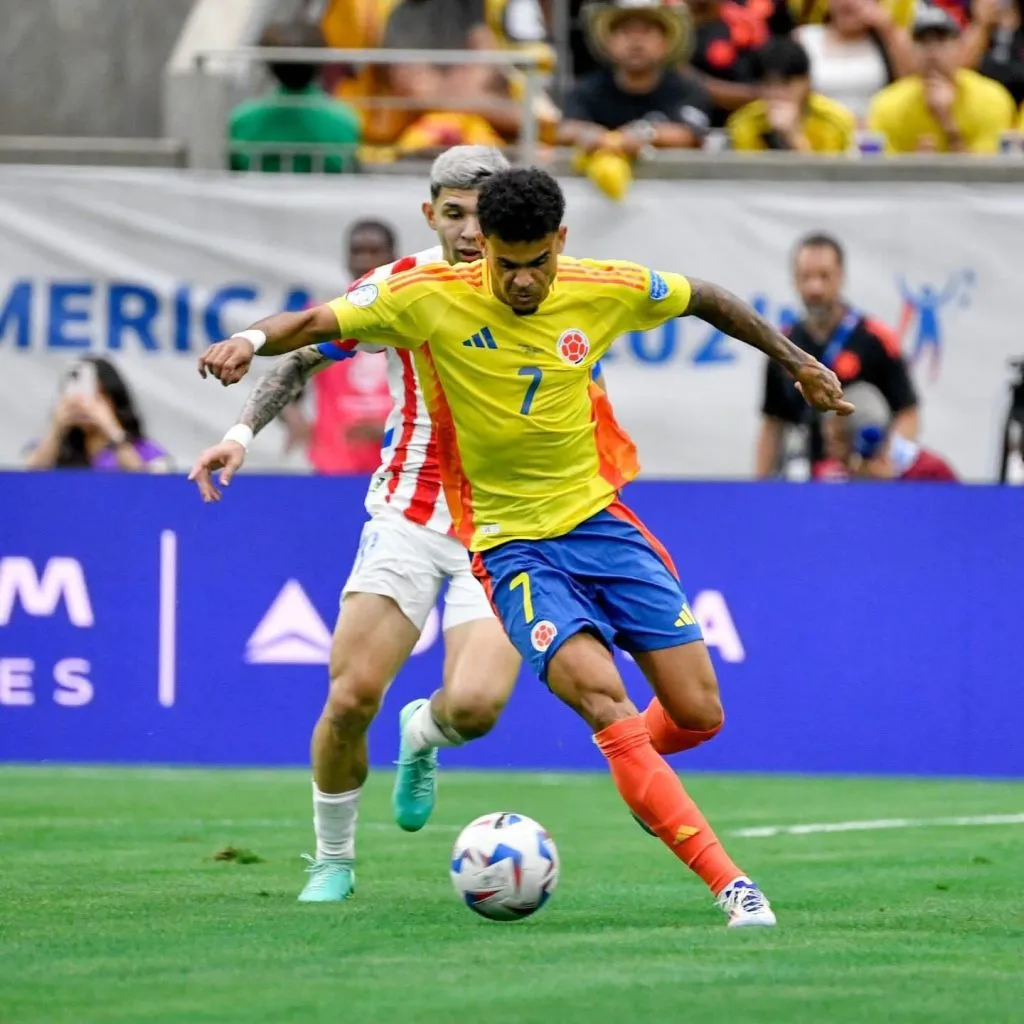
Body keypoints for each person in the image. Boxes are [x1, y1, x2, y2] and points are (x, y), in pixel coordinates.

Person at [196, 167, 854, 927]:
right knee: (584, 702)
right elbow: (310, 331)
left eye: (533, 262)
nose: (517, 279)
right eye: (500, 261)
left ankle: (608, 760)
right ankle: (732, 885)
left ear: (559, 245)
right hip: (495, 541)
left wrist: (794, 360)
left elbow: (704, 295)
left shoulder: (598, 285)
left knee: (695, 714)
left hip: (599, 525)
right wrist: (245, 345)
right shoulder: (417, 293)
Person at [189, 147, 528, 905]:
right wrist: (239, 435)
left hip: (500, 526)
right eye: (454, 213)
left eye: (483, 212)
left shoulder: (534, 284)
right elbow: (305, 352)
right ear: (429, 213)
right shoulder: (396, 288)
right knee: (348, 699)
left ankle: (423, 735)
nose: (471, 230)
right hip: (408, 514)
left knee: (473, 708)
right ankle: (333, 860)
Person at [756, 232, 917, 480]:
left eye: (824, 276)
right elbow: (773, 424)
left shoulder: (876, 339)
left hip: (863, 477)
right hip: (805, 477)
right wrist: (759, 486)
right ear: (795, 281)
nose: (815, 287)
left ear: (841, 278)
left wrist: (889, 462)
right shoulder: (782, 344)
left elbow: (908, 413)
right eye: (806, 277)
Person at [281, 220, 397, 471]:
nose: (365, 260)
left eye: (375, 251)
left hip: (400, 470)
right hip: (334, 466)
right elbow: (285, 381)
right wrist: (293, 417)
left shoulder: (414, 317)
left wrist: (390, 428)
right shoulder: (323, 317)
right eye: (357, 252)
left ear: (393, 257)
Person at [867, 4, 1016, 153]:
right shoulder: (887, 104)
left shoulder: (992, 99)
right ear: (910, 50)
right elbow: (879, 173)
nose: (932, 52)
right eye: (922, 42)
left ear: (960, 47)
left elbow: (991, 173)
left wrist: (949, 127)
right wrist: (914, 166)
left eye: (942, 40)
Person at [229, 21, 361, 174]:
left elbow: (235, 168)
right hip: (322, 196)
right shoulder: (344, 121)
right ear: (320, 63)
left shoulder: (242, 120)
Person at [25, 357, 170, 472]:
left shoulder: (147, 451)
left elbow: (149, 490)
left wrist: (111, 429)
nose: (85, 405)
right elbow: (29, 484)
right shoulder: (49, 447)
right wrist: (57, 429)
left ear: (114, 399)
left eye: (97, 396)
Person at [727, 36, 856, 152]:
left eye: (786, 83)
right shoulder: (744, 122)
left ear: (807, 82)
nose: (776, 93)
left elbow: (830, 176)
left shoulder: (835, 121)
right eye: (768, 84)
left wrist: (794, 137)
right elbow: (747, 174)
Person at [795, 0, 916, 122]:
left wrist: (886, 28)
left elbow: (909, 84)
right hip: (821, 133)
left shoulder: (888, 40)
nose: (848, 2)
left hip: (873, 133)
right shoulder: (805, 38)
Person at [823, 382, 958, 481]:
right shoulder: (828, 473)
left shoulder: (931, 471)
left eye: (838, 440)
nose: (829, 449)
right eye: (827, 440)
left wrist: (888, 487)